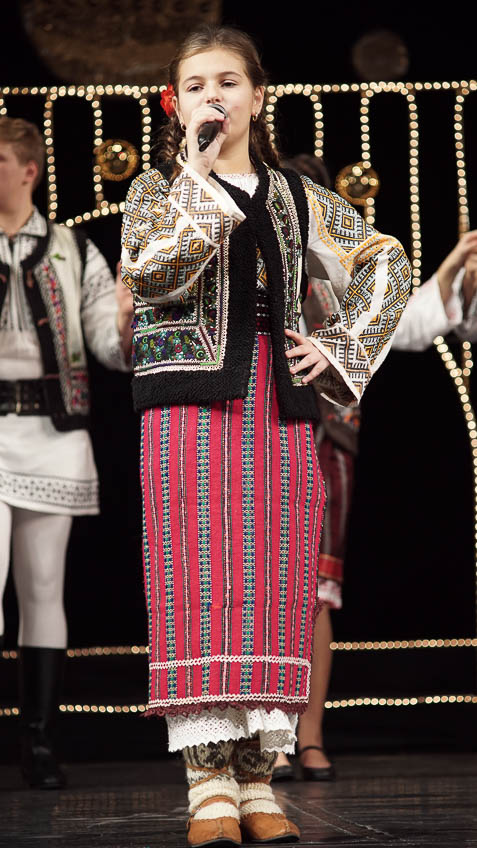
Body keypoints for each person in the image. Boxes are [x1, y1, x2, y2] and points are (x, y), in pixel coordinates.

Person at [121, 25, 410, 848]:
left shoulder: (294, 196)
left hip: (275, 406)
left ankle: (255, 778)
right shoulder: (155, 189)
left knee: (272, 583)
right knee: (198, 576)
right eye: (196, 85)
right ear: (176, 104)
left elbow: (385, 260)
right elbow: (155, 273)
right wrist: (198, 173)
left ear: (256, 94)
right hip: (186, 405)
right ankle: (206, 779)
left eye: (227, 82)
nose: (213, 96)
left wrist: (338, 346)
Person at [0, 117, 133, 789]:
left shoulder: (73, 250)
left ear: (29, 171)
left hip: (52, 434)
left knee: (43, 587)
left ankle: (40, 740)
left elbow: (107, 343)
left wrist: (128, 320)